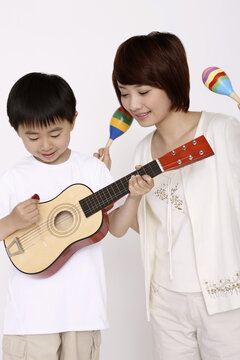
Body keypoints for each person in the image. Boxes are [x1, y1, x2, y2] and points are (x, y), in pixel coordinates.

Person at [0, 72, 153, 360]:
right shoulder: (12, 179)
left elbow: (117, 229)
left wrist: (134, 197)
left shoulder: (92, 170)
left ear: (73, 120)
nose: (45, 145)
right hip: (30, 316)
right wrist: (12, 222)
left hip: (83, 312)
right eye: (32, 137)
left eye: (56, 133)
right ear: (16, 130)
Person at [108, 32, 240, 359]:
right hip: (165, 299)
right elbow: (150, 227)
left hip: (225, 297)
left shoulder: (221, 130)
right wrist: (131, 197)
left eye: (143, 91)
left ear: (171, 81)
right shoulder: (141, 150)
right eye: (124, 94)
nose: (132, 105)